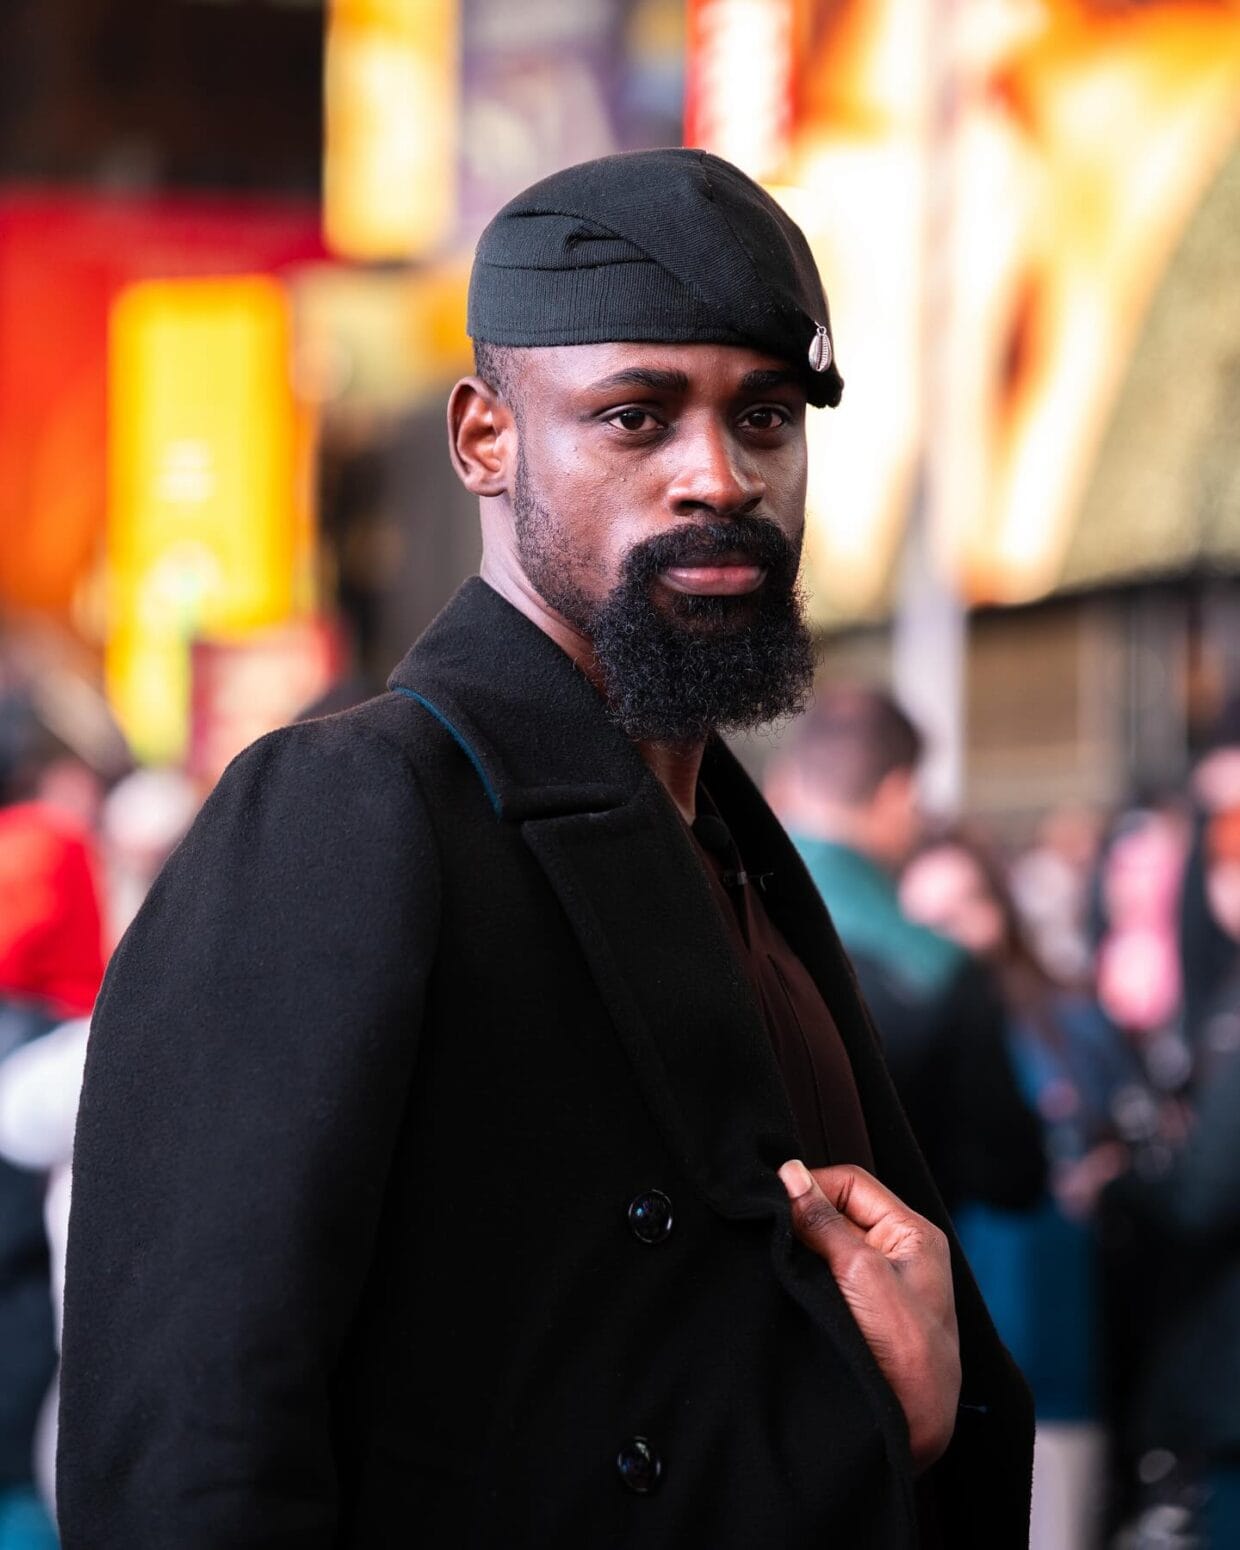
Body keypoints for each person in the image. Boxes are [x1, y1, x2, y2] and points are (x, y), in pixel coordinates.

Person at [59, 150, 1033, 1548]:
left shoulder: (736, 848)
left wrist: (898, 1420)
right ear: (484, 438)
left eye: (764, 415)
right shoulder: (347, 807)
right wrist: (871, 1418)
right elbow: (192, 1450)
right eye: (637, 416)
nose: (719, 477)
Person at [899, 827, 1142, 1550]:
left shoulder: (1067, 1019)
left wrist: (1110, 1170)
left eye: (962, 909)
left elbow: (1132, 1137)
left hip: (1059, 1325)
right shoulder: (908, 1036)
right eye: (925, 920)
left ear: (998, 908)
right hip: (960, 1339)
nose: (947, 935)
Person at [768, 687, 1045, 1216]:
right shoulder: (937, 968)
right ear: (899, 793)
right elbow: (1012, 1172)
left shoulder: (709, 912)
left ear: (794, 777)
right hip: (894, 1250)